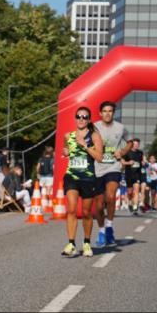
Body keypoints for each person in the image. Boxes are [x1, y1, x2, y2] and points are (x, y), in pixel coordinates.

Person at [60, 106, 103, 257]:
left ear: (89, 120)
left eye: (85, 117)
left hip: (88, 178)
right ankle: (71, 243)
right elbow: (66, 150)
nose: (81, 119)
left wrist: (84, 145)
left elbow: (99, 157)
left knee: (86, 212)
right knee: (71, 209)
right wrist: (65, 152)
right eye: (78, 116)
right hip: (72, 176)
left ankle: (86, 243)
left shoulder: (95, 136)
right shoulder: (68, 136)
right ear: (75, 118)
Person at [93, 100, 132, 247]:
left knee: (110, 196)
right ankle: (101, 229)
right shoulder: (94, 127)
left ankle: (108, 227)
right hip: (97, 168)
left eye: (110, 111)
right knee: (98, 205)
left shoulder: (120, 128)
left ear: (113, 113)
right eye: (105, 111)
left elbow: (130, 142)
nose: (107, 114)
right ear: (100, 113)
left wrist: (122, 152)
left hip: (113, 167)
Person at [122, 138, 144, 216]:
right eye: (135, 144)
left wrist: (143, 163)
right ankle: (130, 203)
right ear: (131, 145)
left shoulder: (140, 153)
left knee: (136, 190)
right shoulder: (127, 153)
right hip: (129, 174)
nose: (136, 146)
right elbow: (122, 162)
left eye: (137, 144)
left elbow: (141, 161)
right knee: (130, 192)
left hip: (137, 174)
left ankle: (135, 208)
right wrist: (128, 162)